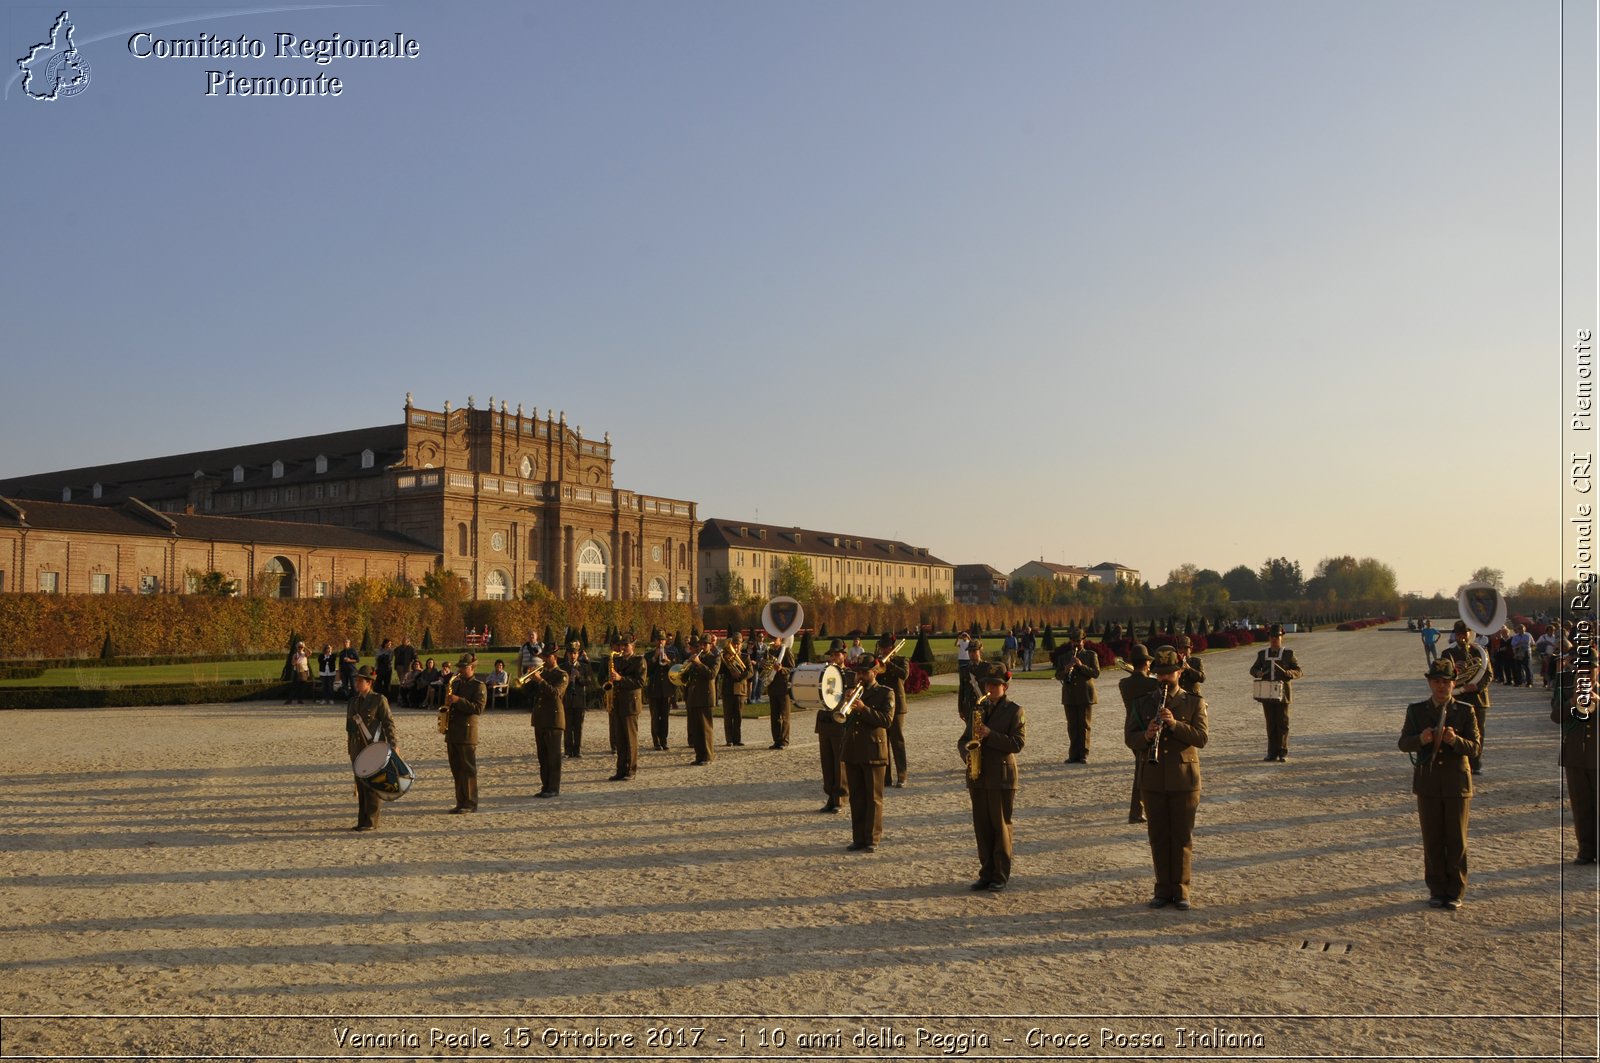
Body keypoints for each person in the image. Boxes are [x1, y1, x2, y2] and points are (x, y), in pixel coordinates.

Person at [1125, 648, 1209, 910]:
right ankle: (1162, 889)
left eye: (1169, 673)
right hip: (1152, 779)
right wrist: (1147, 736)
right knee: (1158, 836)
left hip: (1184, 779)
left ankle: (1181, 890)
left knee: (1182, 836)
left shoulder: (1193, 702)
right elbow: (1131, 738)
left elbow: (1201, 738)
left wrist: (1174, 725)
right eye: (1160, 674)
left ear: (1179, 672)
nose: (1164, 678)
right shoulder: (1142, 703)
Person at [1397, 659, 1482, 909]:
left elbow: (1476, 749)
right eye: (1437, 681)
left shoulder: (1465, 711)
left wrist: (1455, 741)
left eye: (1446, 682)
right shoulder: (1417, 711)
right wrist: (1420, 739)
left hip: (1457, 783)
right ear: (1429, 683)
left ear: (1453, 683)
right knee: (1432, 839)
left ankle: (1455, 890)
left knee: (1456, 840)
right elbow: (1403, 743)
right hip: (1428, 782)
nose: (1441, 687)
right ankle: (1436, 889)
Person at [960, 666, 1026, 891]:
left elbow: (1017, 744)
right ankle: (986, 872)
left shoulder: (1015, 711)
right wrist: (969, 756)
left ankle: (1000, 875)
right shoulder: (978, 709)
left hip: (1001, 775)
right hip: (978, 775)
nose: (989, 688)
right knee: (982, 826)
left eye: (994, 685)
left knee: (1000, 826)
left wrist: (990, 734)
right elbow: (963, 740)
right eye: (987, 684)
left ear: (1004, 687)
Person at [840, 655, 894, 852]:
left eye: (864, 672)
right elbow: (842, 720)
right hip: (853, 749)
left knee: (873, 798)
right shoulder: (852, 692)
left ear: (875, 672)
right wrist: (845, 702)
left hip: (873, 750)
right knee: (856, 796)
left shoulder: (885, 693)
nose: (860, 676)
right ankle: (858, 838)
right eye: (858, 672)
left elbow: (886, 720)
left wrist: (863, 709)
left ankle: (872, 838)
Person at [1553, 645, 1599, 864]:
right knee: (1581, 806)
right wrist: (1571, 702)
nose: (1585, 674)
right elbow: (1555, 716)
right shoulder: (1565, 687)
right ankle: (1585, 850)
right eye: (1582, 670)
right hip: (1574, 757)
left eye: (1590, 670)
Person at [345, 665, 397, 832]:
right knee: (361, 784)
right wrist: (350, 748)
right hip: (357, 748)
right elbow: (350, 728)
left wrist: (393, 744)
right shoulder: (353, 702)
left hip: (373, 747)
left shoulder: (378, 700)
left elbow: (389, 724)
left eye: (360, 681)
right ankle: (362, 819)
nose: (357, 683)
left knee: (372, 785)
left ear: (369, 683)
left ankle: (371, 820)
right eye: (356, 680)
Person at [1440, 620, 1493, 774]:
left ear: (1470, 633)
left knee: (1478, 733)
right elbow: (1442, 677)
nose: (1462, 637)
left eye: (1465, 633)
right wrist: (1455, 672)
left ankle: (1475, 764)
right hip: (1458, 698)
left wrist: (1477, 686)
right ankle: (1459, 763)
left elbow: (1488, 674)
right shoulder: (1447, 653)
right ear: (1454, 635)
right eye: (1459, 634)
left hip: (1478, 698)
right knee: (1457, 731)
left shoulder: (1480, 651)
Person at [1117, 643, 1159, 825]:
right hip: (1146, 729)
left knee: (1140, 768)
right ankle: (1136, 812)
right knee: (1143, 772)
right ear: (1147, 663)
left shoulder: (1124, 684)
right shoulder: (1152, 683)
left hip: (1132, 729)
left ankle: (1138, 811)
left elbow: (1136, 682)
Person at [1249, 624, 1304, 762]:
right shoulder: (1262, 654)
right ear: (1269, 637)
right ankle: (1271, 752)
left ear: (1282, 637)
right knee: (1271, 724)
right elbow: (1253, 669)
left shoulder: (1288, 654)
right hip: (1267, 693)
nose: (1274, 639)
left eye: (1277, 636)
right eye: (1272, 636)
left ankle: (1282, 752)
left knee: (1283, 723)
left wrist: (1290, 673)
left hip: (1283, 693)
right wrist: (1258, 672)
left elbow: (1299, 671)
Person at [442, 652, 487, 813]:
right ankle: (460, 801)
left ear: (471, 667)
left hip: (467, 733)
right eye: (459, 667)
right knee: (456, 769)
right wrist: (448, 702)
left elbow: (478, 708)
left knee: (468, 769)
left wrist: (458, 700)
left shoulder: (478, 686)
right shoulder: (457, 684)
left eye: (463, 667)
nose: (460, 670)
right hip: (453, 732)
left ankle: (470, 802)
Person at [1053, 629, 1101, 764]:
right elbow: (1058, 676)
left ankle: (1083, 754)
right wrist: (1066, 669)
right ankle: (1073, 754)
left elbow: (1096, 673)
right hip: (1070, 695)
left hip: (1085, 694)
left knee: (1084, 725)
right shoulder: (1064, 657)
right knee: (1072, 726)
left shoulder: (1091, 655)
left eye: (1078, 641)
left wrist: (1081, 666)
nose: (1076, 644)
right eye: (1074, 641)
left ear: (1083, 641)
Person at [814, 639, 851, 812]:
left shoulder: (849, 675)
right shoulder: (824, 673)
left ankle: (841, 797)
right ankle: (830, 796)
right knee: (826, 762)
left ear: (844, 655)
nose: (834, 658)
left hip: (839, 723)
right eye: (832, 654)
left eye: (837, 654)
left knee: (839, 762)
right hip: (824, 721)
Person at [527, 647, 568, 798]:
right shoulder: (542, 674)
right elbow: (530, 693)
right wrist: (529, 679)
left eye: (547, 657)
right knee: (542, 756)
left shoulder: (562, 675)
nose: (544, 659)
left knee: (553, 756)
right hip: (540, 719)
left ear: (555, 657)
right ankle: (545, 786)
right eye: (543, 657)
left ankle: (553, 787)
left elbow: (556, 693)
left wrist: (540, 680)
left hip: (553, 719)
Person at [606, 633, 645, 781]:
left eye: (626, 645)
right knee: (620, 740)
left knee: (630, 739)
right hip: (618, 702)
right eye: (621, 645)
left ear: (632, 646)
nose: (623, 648)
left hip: (630, 704)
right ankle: (621, 769)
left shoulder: (639, 660)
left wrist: (621, 678)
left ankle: (631, 770)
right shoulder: (617, 660)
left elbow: (640, 682)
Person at [876, 634, 910, 787]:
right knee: (883, 742)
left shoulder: (901, 660)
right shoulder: (877, 662)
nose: (883, 650)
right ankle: (886, 777)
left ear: (892, 647)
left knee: (897, 741)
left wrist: (889, 663)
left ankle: (902, 775)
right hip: (882, 706)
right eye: (882, 647)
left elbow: (904, 675)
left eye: (886, 647)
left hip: (897, 706)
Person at [682, 635, 719, 765]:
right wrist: (685, 668)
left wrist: (698, 663)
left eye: (705, 644)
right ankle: (699, 756)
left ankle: (708, 756)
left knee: (705, 728)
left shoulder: (714, 658)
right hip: (693, 696)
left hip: (706, 696)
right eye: (701, 644)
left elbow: (711, 674)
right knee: (696, 728)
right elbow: (688, 678)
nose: (702, 646)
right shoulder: (696, 658)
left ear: (710, 645)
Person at [560, 642, 593, 758]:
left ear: (578, 654)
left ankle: (577, 750)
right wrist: (568, 680)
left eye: (574, 653)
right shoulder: (563, 667)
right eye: (570, 653)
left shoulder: (584, 667)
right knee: (567, 727)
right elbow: (559, 684)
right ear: (567, 654)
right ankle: (568, 750)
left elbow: (589, 682)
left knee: (578, 727)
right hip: (567, 700)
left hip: (579, 700)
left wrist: (579, 677)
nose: (572, 655)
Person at [718, 632, 751, 747]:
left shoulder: (745, 657)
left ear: (742, 644)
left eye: (738, 644)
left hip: (740, 690)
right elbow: (720, 671)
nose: (736, 646)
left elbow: (750, 672)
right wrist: (725, 664)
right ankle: (729, 739)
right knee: (728, 716)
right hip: (727, 689)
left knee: (738, 716)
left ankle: (737, 739)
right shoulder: (725, 656)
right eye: (734, 644)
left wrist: (739, 675)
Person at [645, 634, 675, 750]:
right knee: (655, 717)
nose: (660, 642)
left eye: (662, 640)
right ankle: (656, 741)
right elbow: (646, 671)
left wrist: (667, 661)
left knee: (665, 717)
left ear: (665, 641)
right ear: (655, 641)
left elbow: (675, 670)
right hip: (654, 689)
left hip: (666, 690)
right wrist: (654, 658)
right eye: (659, 640)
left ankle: (664, 740)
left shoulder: (671, 654)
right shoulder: (648, 655)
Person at [766, 637, 795, 750]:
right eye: (771, 637)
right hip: (772, 687)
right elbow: (764, 667)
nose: (772, 640)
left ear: (780, 639)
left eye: (774, 638)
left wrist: (782, 669)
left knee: (785, 716)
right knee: (774, 716)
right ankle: (776, 740)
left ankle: (784, 740)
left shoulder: (786, 651)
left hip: (783, 687)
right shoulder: (770, 651)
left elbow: (792, 668)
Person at [287, 641, 311, 705]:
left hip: (304, 671)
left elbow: (310, 652)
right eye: (299, 647)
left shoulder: (304, 654)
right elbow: (292, 663)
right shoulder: (295, 655)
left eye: (301, 647)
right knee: (294, 686)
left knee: (302, 687)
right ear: (297, 648)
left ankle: (300, 700)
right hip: (297, 671)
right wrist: (296, 660)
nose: (300, 648)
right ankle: (290, 700)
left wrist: (304, 646)